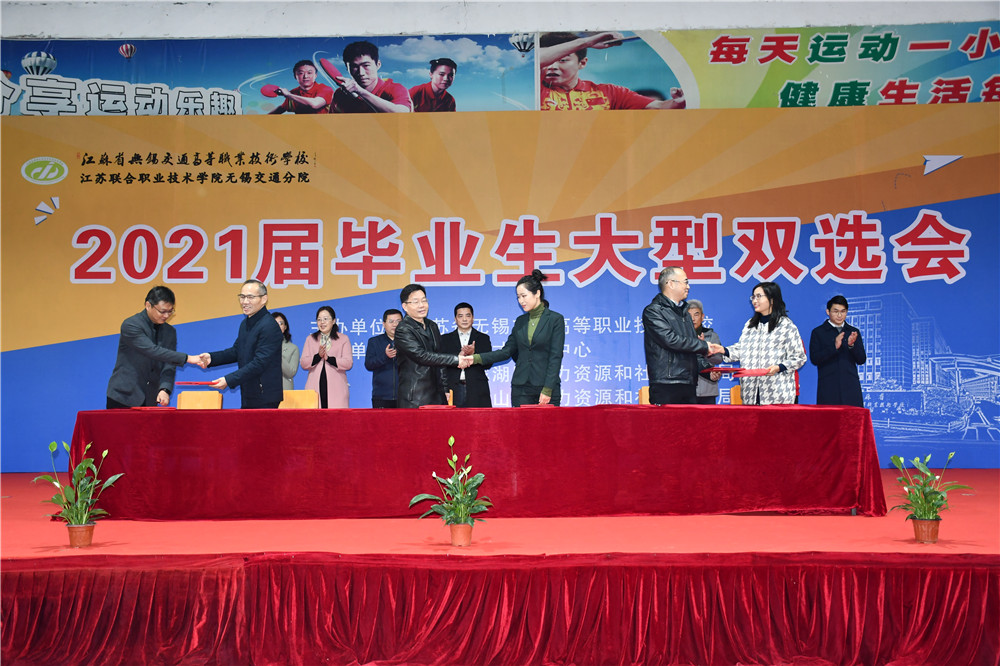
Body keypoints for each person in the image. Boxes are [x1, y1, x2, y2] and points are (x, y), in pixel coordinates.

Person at [467, 270, 565, 406]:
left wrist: (548, 389)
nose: (521, 301)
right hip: (521, 388)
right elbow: (506, 351)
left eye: (524, 296)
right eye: (518, 297)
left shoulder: (555, 319)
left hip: (546, 387)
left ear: (537, 293)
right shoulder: (520, 321)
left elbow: (556, 356)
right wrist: (475, 358)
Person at [538, 32, 686, 111]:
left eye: (562, 60)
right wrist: (586, 42)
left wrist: (679, 101)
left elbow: (660, 107)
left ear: (582, 63)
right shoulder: (537, 90)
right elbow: (536, 59)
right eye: (550, 60)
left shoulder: (610, 93)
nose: (552, 66)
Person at [106, 286, 201, 408]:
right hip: (123, 396)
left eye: (170, 311)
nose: (166, 315)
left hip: (150, 398)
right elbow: (152, 351)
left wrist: (164, 389)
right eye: (162, 311)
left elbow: (169, 365)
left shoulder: (170, 332)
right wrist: (188, 358)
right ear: (148, 305)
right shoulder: (131, 325)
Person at [642, 268, 724, 405]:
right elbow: (671, 340)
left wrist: (707, 371)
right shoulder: (654, 311)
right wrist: (704, 346)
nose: (688, 286)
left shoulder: (685, 313)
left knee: (689, 420)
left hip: (688, 383)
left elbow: (691, 348)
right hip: (666, 384)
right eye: (685, 282)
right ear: (671, 283)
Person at [200, 279, 283, 409]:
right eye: (242, 297)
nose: (245, 302)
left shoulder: (269, 326)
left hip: (264, 395)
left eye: (250, 297)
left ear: (264, 299)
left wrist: (229, 380)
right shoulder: (245, 323)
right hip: (249, 391)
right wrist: (212, 358)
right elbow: (237, 351)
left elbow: (260, 363)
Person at [721, 281, 807, 405]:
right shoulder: (750, 325)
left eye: (759, 296)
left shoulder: (786, 325)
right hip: (750, 392)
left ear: (772, 299)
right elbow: (742, 349)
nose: (754, 301)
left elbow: (799, 357)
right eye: (753, 297)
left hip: (777, 392)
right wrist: (723, 350)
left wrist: (779, 367)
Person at [394, 284, 471, 408]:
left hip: (437, 395)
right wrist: (456, 359)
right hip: (415, 397)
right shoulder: (403, 329)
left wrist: (445, 388)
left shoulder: (432, 325)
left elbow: (439, 356)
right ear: (405, 306)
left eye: (424, 300)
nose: (421, 305)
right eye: (416, 302)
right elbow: (422, 356)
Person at [809, 295, 867, 407]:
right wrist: (834, 347)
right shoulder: (818, 332)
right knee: (828, 417)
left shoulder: (853, 331)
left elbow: (861, 359)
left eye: (843, 311)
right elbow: (815, 359)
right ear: (828, 312)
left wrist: (851, 345)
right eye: (836, 311)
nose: (839, 315)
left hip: (851, 387)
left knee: (853, 417)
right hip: (828, 388)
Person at [330, 40, 412, 113]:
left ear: (378, 65)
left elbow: (401, 115)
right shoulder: (339, 94)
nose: (361, 73)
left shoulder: (396, 89)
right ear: (347, 68)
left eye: (366, 65)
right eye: (354, 67)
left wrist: (360, 92)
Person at [440, 302, 493, 407]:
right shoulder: (445, 339)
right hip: (453, 389)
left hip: (477, 389)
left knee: (478, 418)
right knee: (453, 417)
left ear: (473, 318)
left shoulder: (483, 338)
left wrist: (474, 355)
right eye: (460, 316)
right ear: (455, 319)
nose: (464, 319)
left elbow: (488, 364)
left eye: (468, 316)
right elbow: (441, 364)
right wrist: (458, 357)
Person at [300, 305, 352, 408]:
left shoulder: (343, 339)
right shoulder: (310, 339)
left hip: (337, 388)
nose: (322, 322)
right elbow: (303, 363)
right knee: (315, 416)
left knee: (336, 417)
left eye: (325, 319)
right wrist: (318, 356)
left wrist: (329, 359)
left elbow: (348, 363)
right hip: (314, 388)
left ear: (333, 321)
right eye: (319, 319)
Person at [687, 299, 725, 405]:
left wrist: (704, 349)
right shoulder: (680, 338)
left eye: (696, 314)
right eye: (689, 315)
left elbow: (718, 359)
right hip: (686, 391)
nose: (693, 319)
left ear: (702, 317)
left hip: (708, 390)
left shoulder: (712, 336)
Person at [364, 309, 403, 408]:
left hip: (404, 396)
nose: (395, 324)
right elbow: (369, 364)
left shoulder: (408, 342)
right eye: (391, 321)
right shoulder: (374, 342)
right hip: (381, 397)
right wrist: (385, 356)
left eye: (398, 321)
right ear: (384, 324)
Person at [268, 59, 334, 114]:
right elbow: (281, 108)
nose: (305, 76)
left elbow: (315, 104)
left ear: (315, 75)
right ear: (295, 76)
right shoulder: (293, 93)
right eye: (301, 73)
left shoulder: (325, 89)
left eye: (309, 73)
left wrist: (289, 95)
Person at [272, 311, 300, 391]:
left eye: (280, 323)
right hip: (265, 391)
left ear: (285, 327)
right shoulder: (262, 347)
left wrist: (277, 353)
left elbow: (291, 373)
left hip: (284, 390)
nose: (277, 326)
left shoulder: (293, 348)